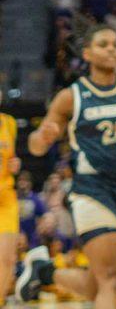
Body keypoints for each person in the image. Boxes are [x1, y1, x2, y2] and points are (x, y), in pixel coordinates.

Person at [17, 24, 116, 309]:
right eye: (103, 44)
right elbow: (36, 147)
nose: (112, 49)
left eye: (115, 44)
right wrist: (44, 136)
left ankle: (44, 272)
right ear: (87, 54)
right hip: (91, 189)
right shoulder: (71, 96)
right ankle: (44, 271)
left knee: (102, 283)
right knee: (111, 280)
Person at [0, 99, 18, 304]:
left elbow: (11, 158)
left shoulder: (9, 123)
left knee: (7, 258)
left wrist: (15, 164)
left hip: (6, 198)